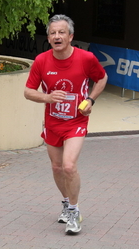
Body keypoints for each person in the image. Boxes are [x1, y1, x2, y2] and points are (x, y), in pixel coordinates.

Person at [24, 14, 107, 234]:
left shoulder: (86, 58)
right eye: (53, 33)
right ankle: (66, 201)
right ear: (48, 38)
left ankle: (74, 210)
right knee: (56, 167)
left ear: (70, 36)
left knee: (69, 166)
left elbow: (102, 78)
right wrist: (47, 98)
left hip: (76, 121)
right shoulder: (41, 60)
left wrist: (90, 99)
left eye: (61, 32)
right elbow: (28, 91)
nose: (57, 36)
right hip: (52, 122)